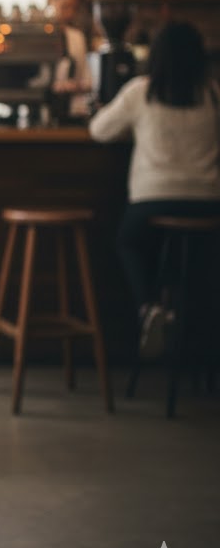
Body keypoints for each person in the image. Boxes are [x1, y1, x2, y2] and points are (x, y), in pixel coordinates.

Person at [89, 20, 220, 359]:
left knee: (129, 242)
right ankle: (186, 322)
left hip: (152, 199)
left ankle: (150, 307)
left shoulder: (140, 91)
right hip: (208, 203)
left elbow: (99, 130)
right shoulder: (213, 94)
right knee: (197, 257)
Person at [47, 0, 93, 120]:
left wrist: (75, 85)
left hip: (71, 112)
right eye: (65, 6)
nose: (70, 13)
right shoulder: (41, 35)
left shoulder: (77, 37)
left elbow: (87, 78)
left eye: (75, 8)